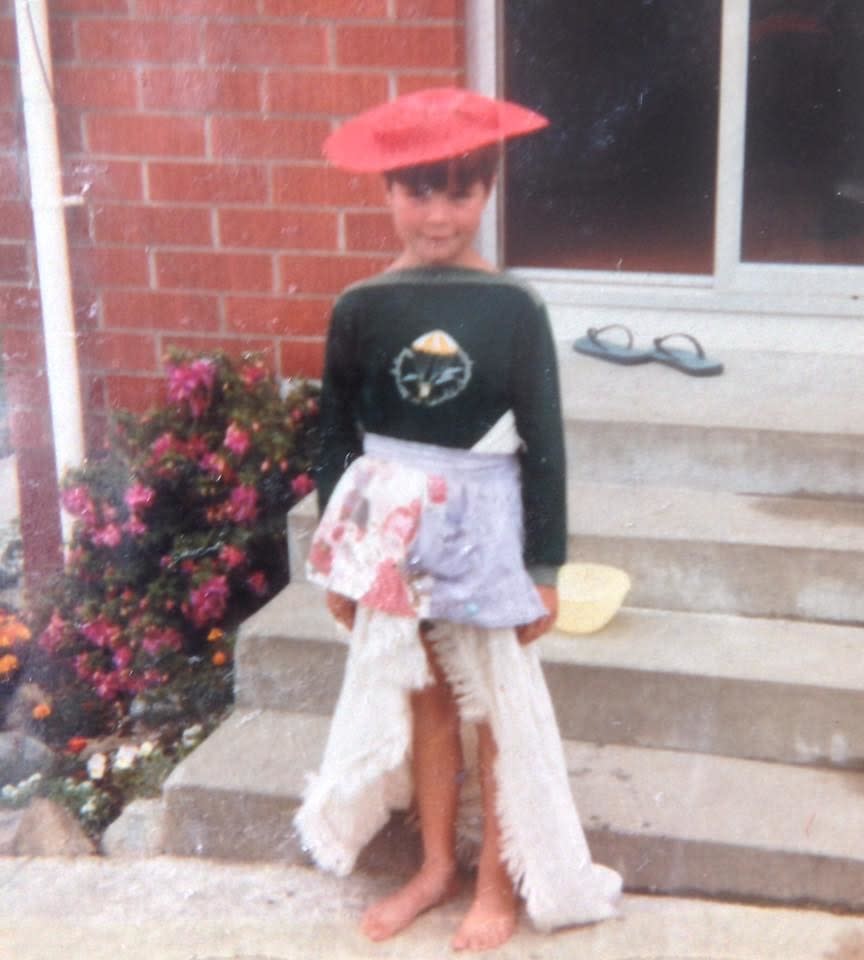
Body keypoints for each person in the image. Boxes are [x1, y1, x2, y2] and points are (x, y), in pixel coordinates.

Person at [294, 87, 621, 952]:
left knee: (494, 714)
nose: (439, 215)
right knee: (429, 702)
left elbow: (544, 444)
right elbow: (336, 440)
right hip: (394, 533)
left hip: (483, 530)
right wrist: (346, 562)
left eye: (461, 192)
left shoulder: (514, 308)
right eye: (418, 192)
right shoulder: (361, 307)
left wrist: (545, 566)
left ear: (487, 194)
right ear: (387, 193)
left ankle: (495, 882)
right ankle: (436, 867)